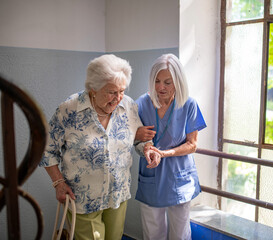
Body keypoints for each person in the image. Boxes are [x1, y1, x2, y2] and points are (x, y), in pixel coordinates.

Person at [39, 54, 160, 240]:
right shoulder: (69, 109)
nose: (118, 98)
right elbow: (47, 149)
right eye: (111, 92)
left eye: (121, 91)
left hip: (117, 195)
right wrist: (58, 183)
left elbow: (137, 139)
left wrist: (148, 149)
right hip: (82, 198)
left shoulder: (128, 106)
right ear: (93, 88)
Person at [135, 53, 207, 240]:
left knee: (180, 234)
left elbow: (192, 145)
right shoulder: (142, 104)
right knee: (152, 233)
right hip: (152, 174)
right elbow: (129, 135)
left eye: (167, 82)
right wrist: (139, 138)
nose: (160, 87)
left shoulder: (189, 104)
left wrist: (165, 153)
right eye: (157, 81)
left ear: (178, 81)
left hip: (179, 176)